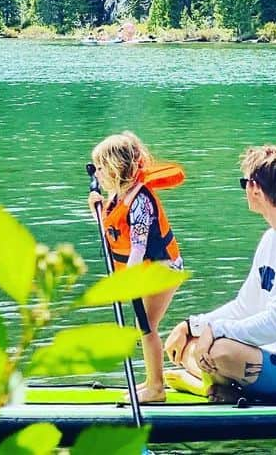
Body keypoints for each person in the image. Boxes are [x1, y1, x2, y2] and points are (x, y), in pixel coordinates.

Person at [164, 144, 276, 400]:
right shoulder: (272, 238)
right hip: (272, 358)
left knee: (220, 351)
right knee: (187, 345)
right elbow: (245, 306)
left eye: (244, 183)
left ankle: (206, 384)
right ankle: (211, 386)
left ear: (255, 188)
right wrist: (193, 326)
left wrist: (216, 330)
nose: (244, 190)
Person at [89, 131, 184, 403]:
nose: (97, 173)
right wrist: (96, 208)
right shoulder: (120, 196)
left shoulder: (140, 201)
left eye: (100, 167)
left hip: (163, 268)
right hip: (147, 269)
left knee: (147, 325)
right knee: (143, 324)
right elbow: (114, 233)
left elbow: (138, 248)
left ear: (116, 168)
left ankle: (156, 388)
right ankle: (152, 381)